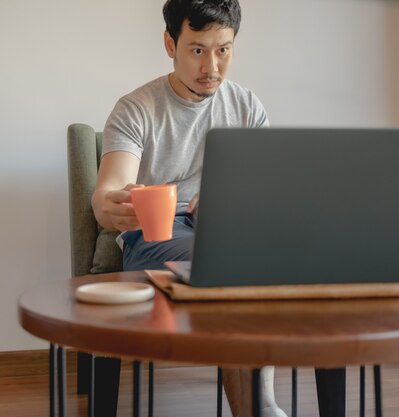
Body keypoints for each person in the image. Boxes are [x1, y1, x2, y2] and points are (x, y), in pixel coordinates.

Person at [92, 1, 285, 416]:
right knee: (233, 266)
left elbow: (265, 191)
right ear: (170, 44)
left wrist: (232, 202)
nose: (212, 66)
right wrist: (111, 205)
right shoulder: (136, 108)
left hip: (229, 231)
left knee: (275, 256)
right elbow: (109, 188)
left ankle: (263, 401)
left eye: (224, 50)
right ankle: (260, 407)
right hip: (157, 234)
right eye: (198, 50)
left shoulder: (247, 106)